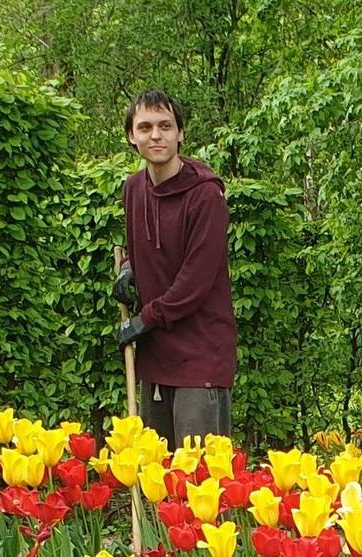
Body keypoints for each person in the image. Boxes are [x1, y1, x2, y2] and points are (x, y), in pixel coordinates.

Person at [115, 89, 237, 442]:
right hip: (156, 360)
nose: (156, 135)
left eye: (166, 126)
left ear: (180, 133)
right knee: (159, 476)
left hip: (201, 360)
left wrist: (145, 320)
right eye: (146, 127)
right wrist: (128, 268)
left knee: (197, 480)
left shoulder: (205, 196)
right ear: (131, 136)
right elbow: (140, 248)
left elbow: (195, 281)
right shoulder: (134, 189)